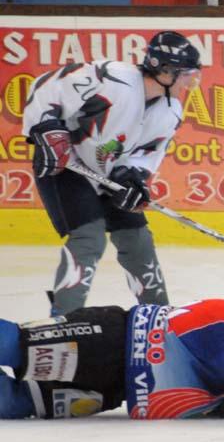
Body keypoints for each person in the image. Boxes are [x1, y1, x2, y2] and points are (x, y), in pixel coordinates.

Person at [22, 31, 202, 316]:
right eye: (186, 75)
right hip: (65, 164)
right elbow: (46, 87)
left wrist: (132, 176)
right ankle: (64, 320)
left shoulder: (170, 111)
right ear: (164, 70)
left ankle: (159, 319)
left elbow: (146, 153)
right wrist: (46, 128)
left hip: (105, 175)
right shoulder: (112, 77)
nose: (189, 83)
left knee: (137, 239)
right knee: (89, 237)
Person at [0, 279, 224, 430]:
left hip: (119, 386)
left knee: (17, 401)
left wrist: (217, 399)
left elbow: (216, 368)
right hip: (111, 342)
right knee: (15, 347)